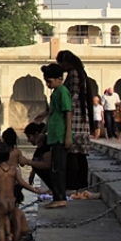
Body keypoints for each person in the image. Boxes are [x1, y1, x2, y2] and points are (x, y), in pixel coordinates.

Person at [0, 142, 36, 241]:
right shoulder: (14, 170)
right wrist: (35, 190)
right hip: (11, 203)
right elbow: (22, 183)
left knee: (0, 230)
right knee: (7, 220)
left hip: (1, 203)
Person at [56, 50, 91, 190]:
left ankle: (76, 183)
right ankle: (80, 183)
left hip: (75, 117)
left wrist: (65, 110)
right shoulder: (78, 72)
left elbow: (74, 96)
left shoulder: (75, 74)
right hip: (79, 116)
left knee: (75, 154)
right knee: (78, 154)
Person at [41, 63, 71, 209]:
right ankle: (57, 196)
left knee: (59, 169)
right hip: (54, 136)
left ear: (59, 79)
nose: (48, 84)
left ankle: (61, 198)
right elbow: (52, 114)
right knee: (54, 168)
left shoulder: (63, 91)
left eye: (50, 81)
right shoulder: (55, 94)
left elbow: (68, 113)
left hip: (60, 135)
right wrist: (43, 132)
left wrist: (67, 136)